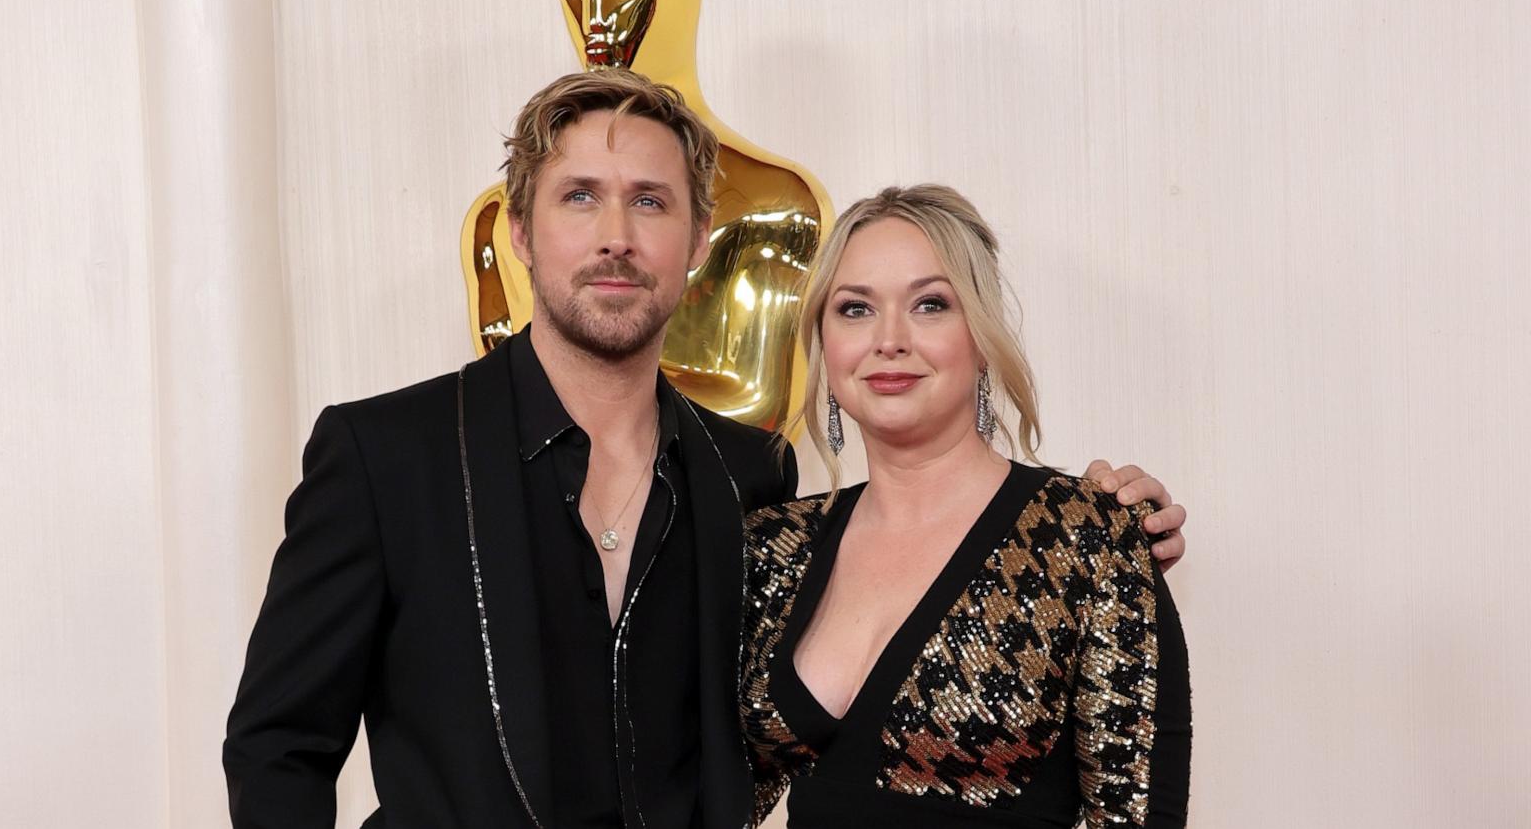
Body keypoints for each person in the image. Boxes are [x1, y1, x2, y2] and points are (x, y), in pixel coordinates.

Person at [224, 70, 1188, 829]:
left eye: (649, 201)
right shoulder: (386, 453)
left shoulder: (750, 479)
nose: (615, 237)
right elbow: (278, 744)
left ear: (696, 240)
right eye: (578, 199)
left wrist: (1093, 521)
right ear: (518, 231)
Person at [741, 185, 1191, 828]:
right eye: (854, 308)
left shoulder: (1086, 538)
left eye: (930, 304)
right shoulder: (773, 545)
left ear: (981, 337)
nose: (888, 339)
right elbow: (706, 795)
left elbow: (1138, 816)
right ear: (823, 342)